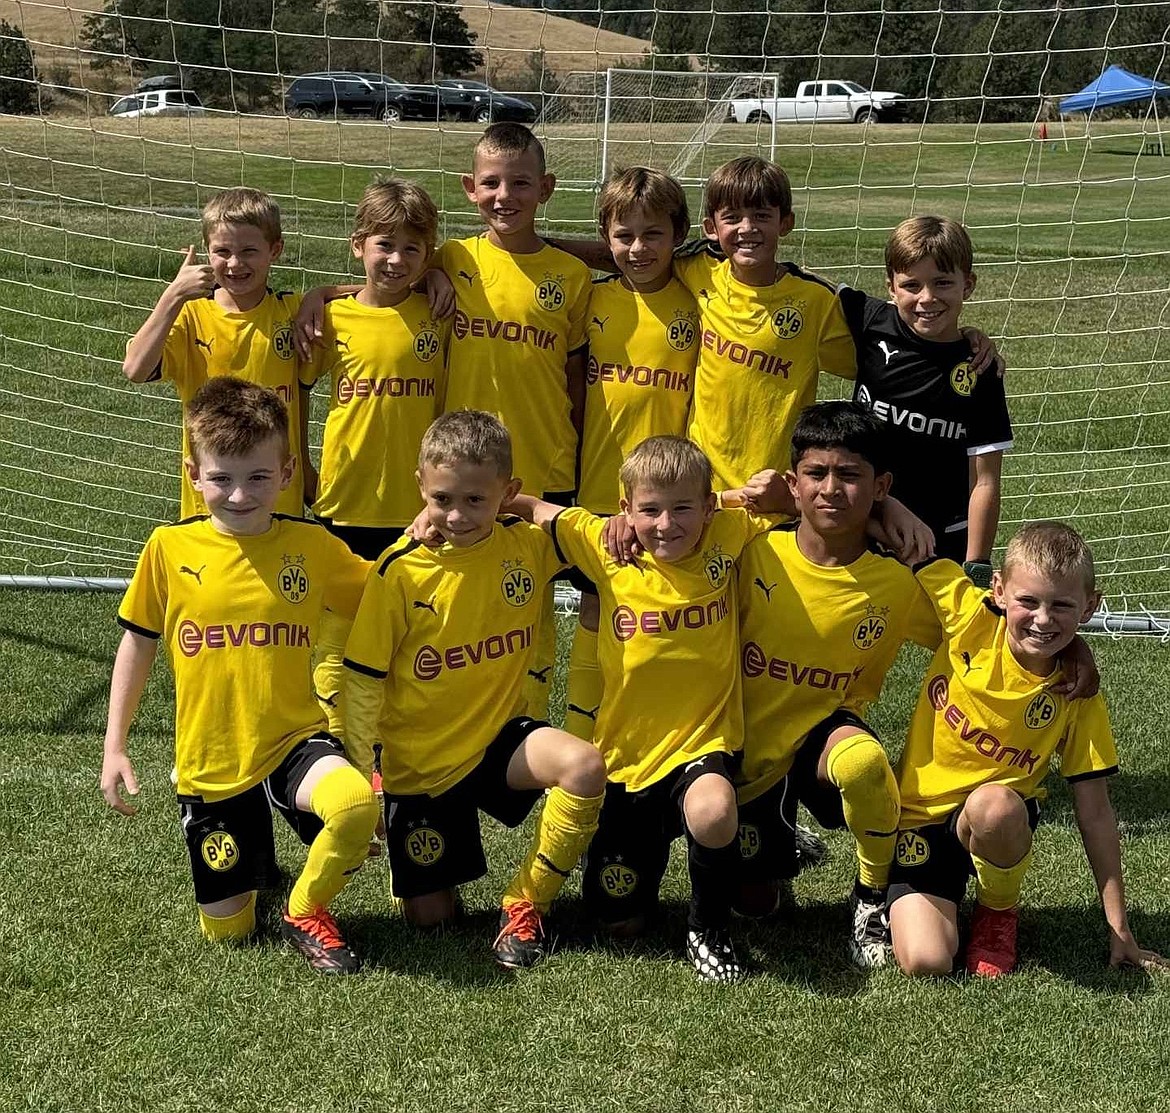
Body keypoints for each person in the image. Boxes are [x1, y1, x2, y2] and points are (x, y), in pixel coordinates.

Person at [99, 377, 378, 974]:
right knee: (228, 934)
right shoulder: (169, 549)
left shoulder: (314, 547)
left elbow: (387, 595)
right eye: (221, 478)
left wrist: (426, 542)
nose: (239, 494)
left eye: (257, 477)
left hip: (292, 738)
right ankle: (256, 872)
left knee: (356, 806)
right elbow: (138, 643)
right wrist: (115, 746)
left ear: (287, 472)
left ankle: (303, 910)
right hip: (213, 754)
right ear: (194, 475)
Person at [511, 436, 789, 983]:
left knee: (713, 808)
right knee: (618, 923)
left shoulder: (729, 534)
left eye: (684, 508)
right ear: (626, 510)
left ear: (709, 508)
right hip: (625, 760)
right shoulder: (604, 543)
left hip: (703, 748)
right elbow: (531, 508)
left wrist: (779, 497)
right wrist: (428, 518)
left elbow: (811, 508)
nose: (667, 524)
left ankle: (708, 928)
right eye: (650, 510)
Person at [341, 410, 606, 970]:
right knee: (431, 921)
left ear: (507, 492)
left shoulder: (528, 545)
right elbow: (363, 681)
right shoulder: (400, 571)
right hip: (421, 766)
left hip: (499, 743)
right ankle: (422, 872)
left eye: (476, 501)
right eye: (442, 499)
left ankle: (525, 904)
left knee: (583, 765)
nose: (457, 515)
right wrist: (363, 772)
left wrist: (534, 508)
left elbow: (602, 535)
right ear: (421, 487)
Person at [888, 521, 1163, 977]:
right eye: (1028, 601)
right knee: (926, 961)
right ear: (997, 589)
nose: (1042, 618)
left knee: (994, 806)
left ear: (1090, 607)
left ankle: (998, 911)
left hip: (1000, 819)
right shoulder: (966, 616)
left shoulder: (1076, 693)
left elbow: (1094, 810)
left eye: (1061, 605)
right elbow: (890, 532)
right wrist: (891, 505)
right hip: (920, 816)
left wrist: (1120, 928)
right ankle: (923, 898)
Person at [732, 402, 941, 968]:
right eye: (816, 474)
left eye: (850, 476)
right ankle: (779, 848)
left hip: (823, 736)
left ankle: (871, 896)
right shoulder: (752, 550)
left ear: (881, 486)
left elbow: (975, 630)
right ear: (792, 483)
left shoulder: (896, 584)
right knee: (756, 906)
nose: (831, 489)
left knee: (865, 765)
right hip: (746, 744)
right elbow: (680, 511)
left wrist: (1068, 648)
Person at [435, 123, 593, 717]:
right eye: (492, 183)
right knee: (453, 591)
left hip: (540, 460)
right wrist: (325, 294)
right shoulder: (448, 259)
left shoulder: (570, 277)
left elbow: (575, 376)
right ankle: (449, 712)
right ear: (469, 189)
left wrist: (571, 449)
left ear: (546, 188)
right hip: (460, 468)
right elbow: (381, 280)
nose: (506, 196)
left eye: (521, 183)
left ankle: (525, 717)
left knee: (529, 595)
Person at [299, 178, 449, 734]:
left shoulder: (439, 311)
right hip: (346, 501)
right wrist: (304, 468)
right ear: (358, 245)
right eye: (385, 245)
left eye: (413, 248)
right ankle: (337, 749)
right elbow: (297, 394)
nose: (397, 259)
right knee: (337, 641)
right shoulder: (329, 318)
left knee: (411, 639)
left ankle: (396, 753)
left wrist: (434, 274)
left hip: (419, 507)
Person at [565, 166, 697, 743]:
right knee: (598, 617)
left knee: (684, 625)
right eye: (623, 236)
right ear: (605, 237)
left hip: (677, 501)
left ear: (678, 236)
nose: (638, 249)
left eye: (653, 235)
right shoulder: (589, 300)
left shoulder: (700, 300)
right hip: (601, 494)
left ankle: (674, 741)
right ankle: (580, 749)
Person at [844, 215, 1012, 584]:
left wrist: (977, 564)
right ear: (891, 287)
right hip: (865, 521)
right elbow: (792, 285)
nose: (927, 298)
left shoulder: (978, 369)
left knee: (953, 637)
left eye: (942, 283)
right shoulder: (869, 321)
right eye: (911, 285)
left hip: (943, 536)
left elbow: (985, 481)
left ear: (968, 285)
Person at [122, 187, 309, 519]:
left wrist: (324, 293)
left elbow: (368, 299)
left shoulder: (292, 311)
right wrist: (173, 295)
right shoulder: (191, 315)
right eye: (222, 251)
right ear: (207, 251)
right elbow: (135, 369)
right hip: (211, 501)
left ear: (275, 250)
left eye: (249, 251)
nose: (235, 263)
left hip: (278, 499)